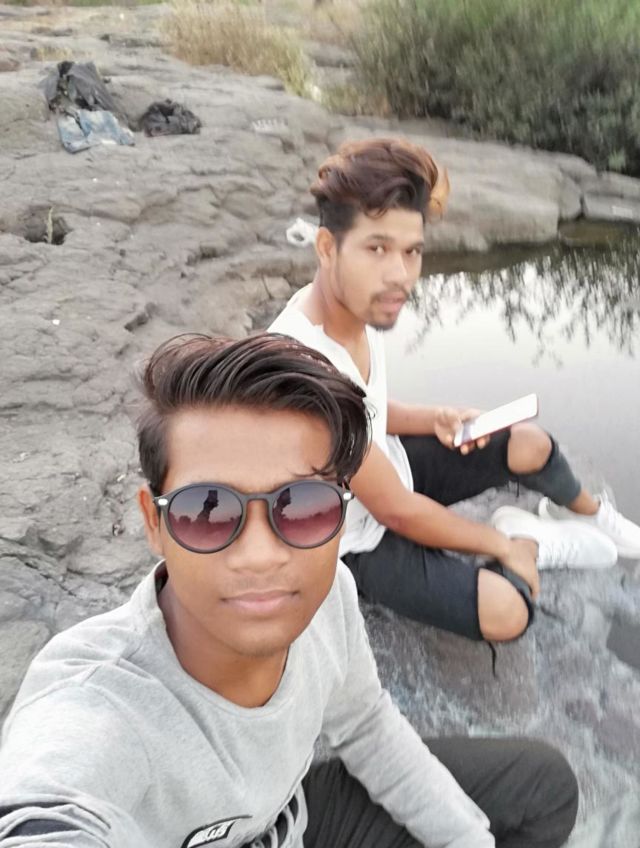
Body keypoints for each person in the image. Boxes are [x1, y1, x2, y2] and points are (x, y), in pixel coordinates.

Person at [0, 333, 579, 848]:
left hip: (293, 819)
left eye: (303, 507)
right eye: (208, 511)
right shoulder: (100, 708)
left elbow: (365, 724)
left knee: (544, 787)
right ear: (155, 523)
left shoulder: (330, 597)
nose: (261, 556)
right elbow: (48, 809)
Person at [270, 137, 640, 644]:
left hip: (387, 470)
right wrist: (499, 546)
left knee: (527, 442)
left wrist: (434, 418)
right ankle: (527, 539)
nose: (400, 275)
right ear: (328, 248)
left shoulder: (348, 308)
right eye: (377, 249)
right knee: (507, 614)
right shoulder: (302, 370)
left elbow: (366, 408)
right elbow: (395, 509)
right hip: (352, 539)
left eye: (412, 251)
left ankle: (591, 515)